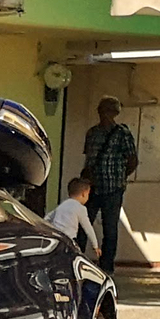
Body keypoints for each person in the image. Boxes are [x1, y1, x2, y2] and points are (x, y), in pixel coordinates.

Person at [80, 98, 136, 267]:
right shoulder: (92, 133)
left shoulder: (122, 134)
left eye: (108, 111)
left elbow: (132, 160)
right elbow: (88, 159)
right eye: (102, 110)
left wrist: (120, 177)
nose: (104, 114)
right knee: (83, 224)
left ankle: (106, 265)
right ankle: (78, 259)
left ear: (115, 113)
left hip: (113, 188)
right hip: (92, 187)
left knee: (110, 229)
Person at [45, 174, 99, 260]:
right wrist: (95, 245)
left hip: (56, 237)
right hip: (69, 240)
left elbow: (47, 218)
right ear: (84, 194)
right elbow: (88, 227)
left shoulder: (62, 205)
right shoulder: (80, 208)